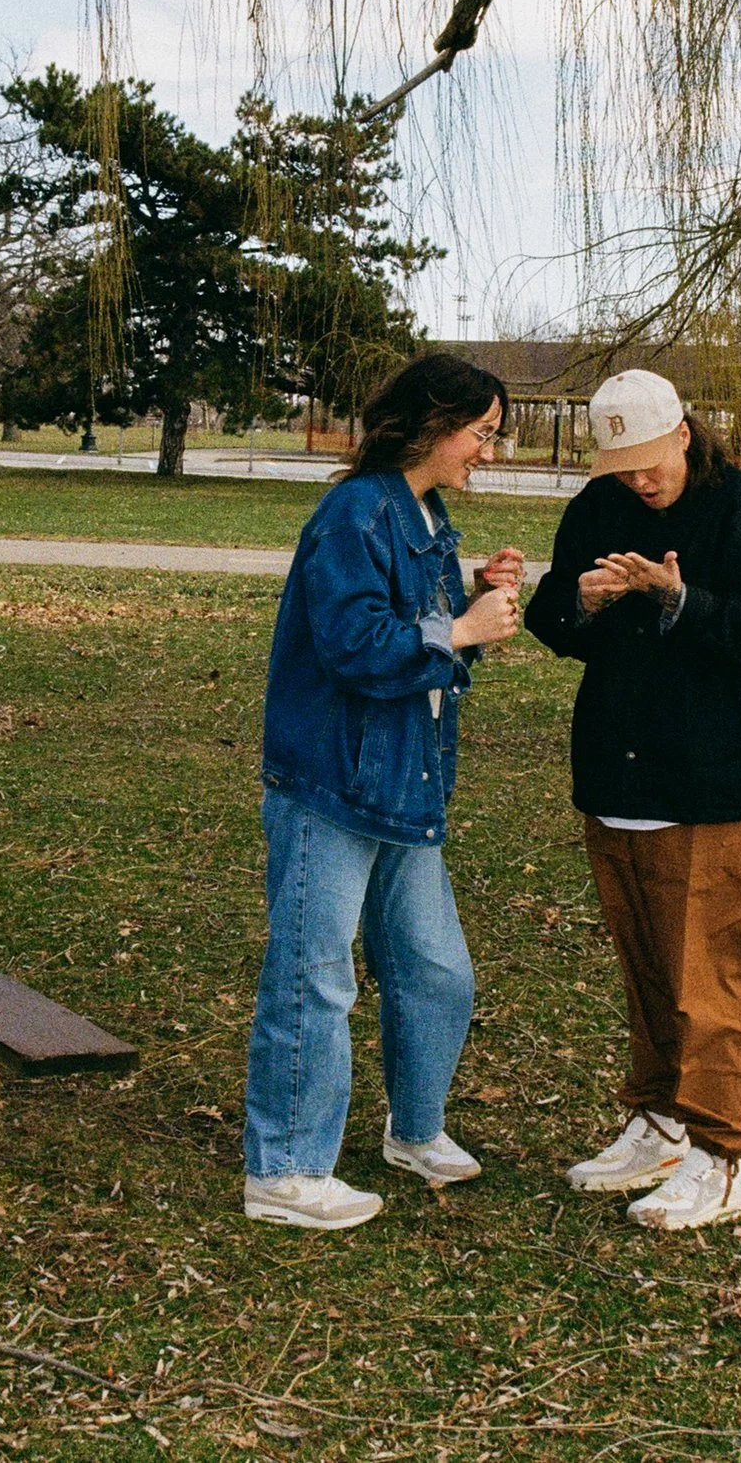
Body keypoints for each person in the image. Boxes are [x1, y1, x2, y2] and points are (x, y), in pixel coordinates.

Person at [243, 353, 527, 1230]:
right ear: (433, 426)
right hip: (332, 782)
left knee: (437, 971)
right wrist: (462, 628)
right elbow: (358, 646)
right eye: (482, 434)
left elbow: (424, 641)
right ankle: (285, 1171)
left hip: (403, 785)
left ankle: (415, 1129)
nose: (490, 451)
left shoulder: (423, 513)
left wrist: (473, 608)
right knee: (314, 977)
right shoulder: (353, 513)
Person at [522, 369, 741, 1231]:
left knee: (712, 981)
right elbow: (551, 617)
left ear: (684, 434)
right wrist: (581, 597)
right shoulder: (597, 509)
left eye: (650, 463)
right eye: (623, 469)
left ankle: (722, 1157)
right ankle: (659, 1119)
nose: (639, 482)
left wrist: (681, 601)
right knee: (648, 968)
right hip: (620, 781)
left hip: (718, 789)